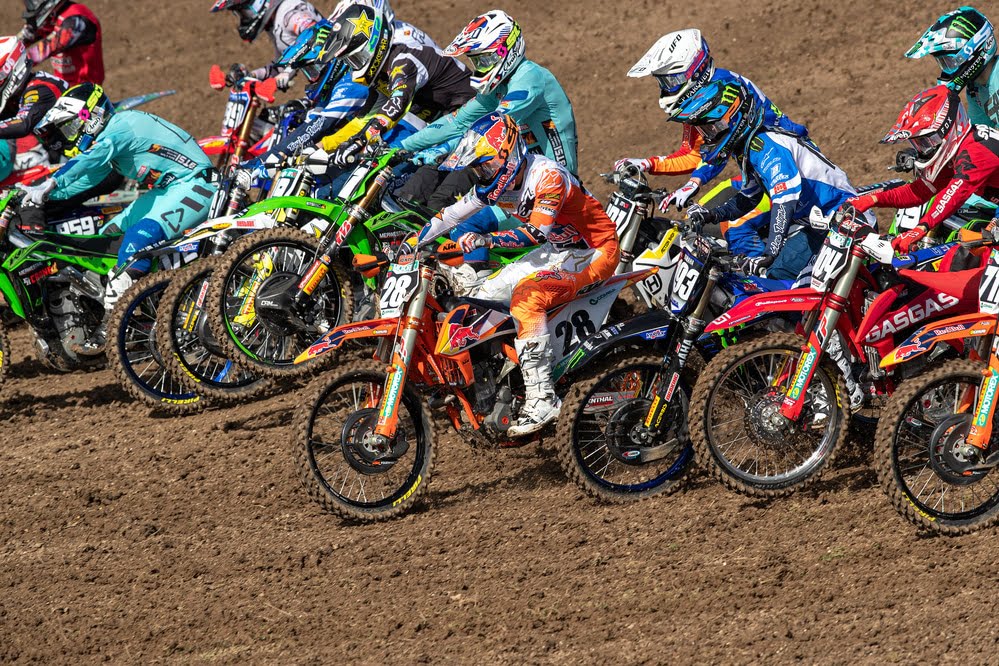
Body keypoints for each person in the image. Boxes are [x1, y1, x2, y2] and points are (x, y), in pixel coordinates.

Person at [418, 113, 619, 436]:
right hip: (558, 250)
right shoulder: (495, 184)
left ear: (508, 154)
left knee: (528, 297)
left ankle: (543, 398)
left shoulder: (547, 176)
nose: (482, 175)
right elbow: (451, 215)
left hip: (594, 252)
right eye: (478, 170)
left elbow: (536, 233)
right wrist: (411, 243)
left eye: (485, 167)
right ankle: (500, 380)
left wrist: (486, 240)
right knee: (481, 299)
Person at [23, 83, 218, 353]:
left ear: (90, 115)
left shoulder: (121, 126)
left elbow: (89, 160)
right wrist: (36, 194)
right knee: (107, 235)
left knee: (137, 238)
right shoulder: (111, 138)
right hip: (169, 190)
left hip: (197, 185)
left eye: (70, 127)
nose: (69, 136)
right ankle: (145, 304)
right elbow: (86, 180)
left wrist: (51, 182)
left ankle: (114, 324)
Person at [396, 9, 578, 279]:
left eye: (486, 59)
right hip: (520, 188)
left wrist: (440, 151)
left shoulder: (530, 79)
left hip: (552, 191)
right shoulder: (500, 87)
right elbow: (456, 122)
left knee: (465, 228)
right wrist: (401, 147)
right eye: (476, 61)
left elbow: (490, 132)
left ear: (506, 50)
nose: (481, 67)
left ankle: (478, 295)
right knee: (443, 219)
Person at [670, 79, 861, 282]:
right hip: (820, 222)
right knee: (774, 275)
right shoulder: (750, 147)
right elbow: (748, 198)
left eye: (709, 130)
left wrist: (770, 253)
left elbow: (784, 202)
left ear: (730, 118)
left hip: (842, 217)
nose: (707, 138)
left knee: (779, 278)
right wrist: (711, 215)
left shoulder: (766, 145)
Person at [317, 0, 475, 167]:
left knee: (400, 167)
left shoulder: (404, 60)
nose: (353, 67)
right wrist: (321, 146)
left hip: (471, 119)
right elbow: (362, 121)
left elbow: (398, 103)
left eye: (355, 59)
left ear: (370, 46)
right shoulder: (382, 77)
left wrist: (360, 141)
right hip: (446, 127)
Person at [848, 85, 999, 254]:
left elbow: (955, 193)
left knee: (967, 257)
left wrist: (920, 228)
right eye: (918, 144)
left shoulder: (977, 149)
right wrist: (873, 199)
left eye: (926, 141)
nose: (923, 149)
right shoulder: (960, 150)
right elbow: (920, 191)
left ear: (948, 128)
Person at [907, 7, 998, 129]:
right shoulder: (974, 90)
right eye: (943, 63)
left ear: (970, 51)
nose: (947, 69)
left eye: (949, 62)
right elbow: (979, 133)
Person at [211, 0, 322, 91]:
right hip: (322, 84)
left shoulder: (287, 13)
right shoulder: (276, 22)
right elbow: (281, 66)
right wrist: (251, 77)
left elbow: (318, 33)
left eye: (243, 12)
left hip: (331, 78)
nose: (244, 18)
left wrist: (288, 71)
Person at [0, 36, 67, 180]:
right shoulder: (14, 98)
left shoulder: (39, 88)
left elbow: (23, 123)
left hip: (93, 154)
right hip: (64, 156)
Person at [17, 0, 103, 87]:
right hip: (63, 86)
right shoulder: (52, 18)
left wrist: (16, 62)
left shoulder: (77, 19)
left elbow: (48, 48)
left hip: (85, 88)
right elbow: (20, 40)